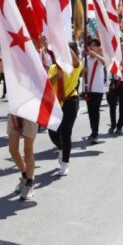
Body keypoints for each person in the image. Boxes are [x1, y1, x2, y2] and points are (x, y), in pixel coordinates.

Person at [47, 42, 82, 175]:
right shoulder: (53, 68)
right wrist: (57, 76)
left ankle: (65, 163)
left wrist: (63, 46)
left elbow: (76, 60)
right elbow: (48, 84)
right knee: (53, 132)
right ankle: (62, 148)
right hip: (56, 103)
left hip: (70, 101)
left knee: (66, 132)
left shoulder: (75, 66)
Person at [8, 113, 38, 200]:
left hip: (30, 113)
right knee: (12, 149)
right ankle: (25, 177)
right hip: (14, 113)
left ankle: (29, 183)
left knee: (28, 150)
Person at [83, 38, 106, 144]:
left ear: (98, 48)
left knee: (95, 111)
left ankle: (95, 133)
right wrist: (84, 71)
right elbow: (80, 73)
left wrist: (96, 54)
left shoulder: (99, 58)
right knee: (90, 112)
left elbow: (105, 62)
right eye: (90, 46)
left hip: (97, 89)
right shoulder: (86, 59)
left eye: (94, 46)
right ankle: (93, 131)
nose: (91, 47)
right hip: (88, 90)